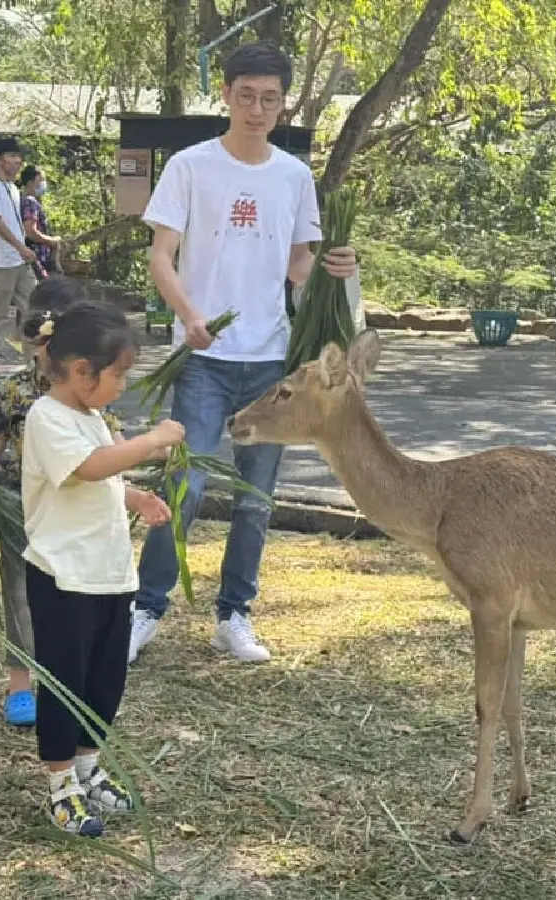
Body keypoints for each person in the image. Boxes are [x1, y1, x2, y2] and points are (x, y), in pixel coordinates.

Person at [129, 42, 357, 665]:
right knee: (187, 483)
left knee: (256, 499)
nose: (257, 108)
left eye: (270, 99)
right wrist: (189, 315)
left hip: (269, 364)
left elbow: (301, 264)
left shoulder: (293, 176)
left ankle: (234, 614)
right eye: (247, 95)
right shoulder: (190, 167)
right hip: (203, 357)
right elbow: (160, 257)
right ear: (226, 95)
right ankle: (147, 606)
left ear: (283, 105)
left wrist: (339, 274)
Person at [20, 300, 182, 836]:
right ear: (80, 370)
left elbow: (103, 477)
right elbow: (87, 469)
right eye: (118, 374)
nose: (123, 385)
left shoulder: (91, 417)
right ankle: (60, 785)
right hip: (64, 577)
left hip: (110, 574)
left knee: (104, 680)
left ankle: (90, 769)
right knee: (65, 683)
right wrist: (151, 441)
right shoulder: (46, 418)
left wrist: (133, 497)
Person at [0, 276, 126, 729]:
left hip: (76, 516)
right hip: (21, 509)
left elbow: (111, 449)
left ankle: (68, 683)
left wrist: (130, 483)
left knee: (71, 601)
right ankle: (21, 686)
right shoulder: (16, 391)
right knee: (20, 595)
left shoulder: (94, 398)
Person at [0, 137, 37, 371]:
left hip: (19, 260)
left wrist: (23, 249)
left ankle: (31, 357)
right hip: (2, 261)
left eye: (19, 157)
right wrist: (21, 246)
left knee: (32, 306)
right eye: (12, 156)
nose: (18, 161)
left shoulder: (13, 188)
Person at [18, 165, 62, 276]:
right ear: (30, 182)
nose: (43, 183)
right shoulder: (30, 202)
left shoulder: (23, 200)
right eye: (40, 180)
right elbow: (31, 232)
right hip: (35, 258)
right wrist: (51, 241)